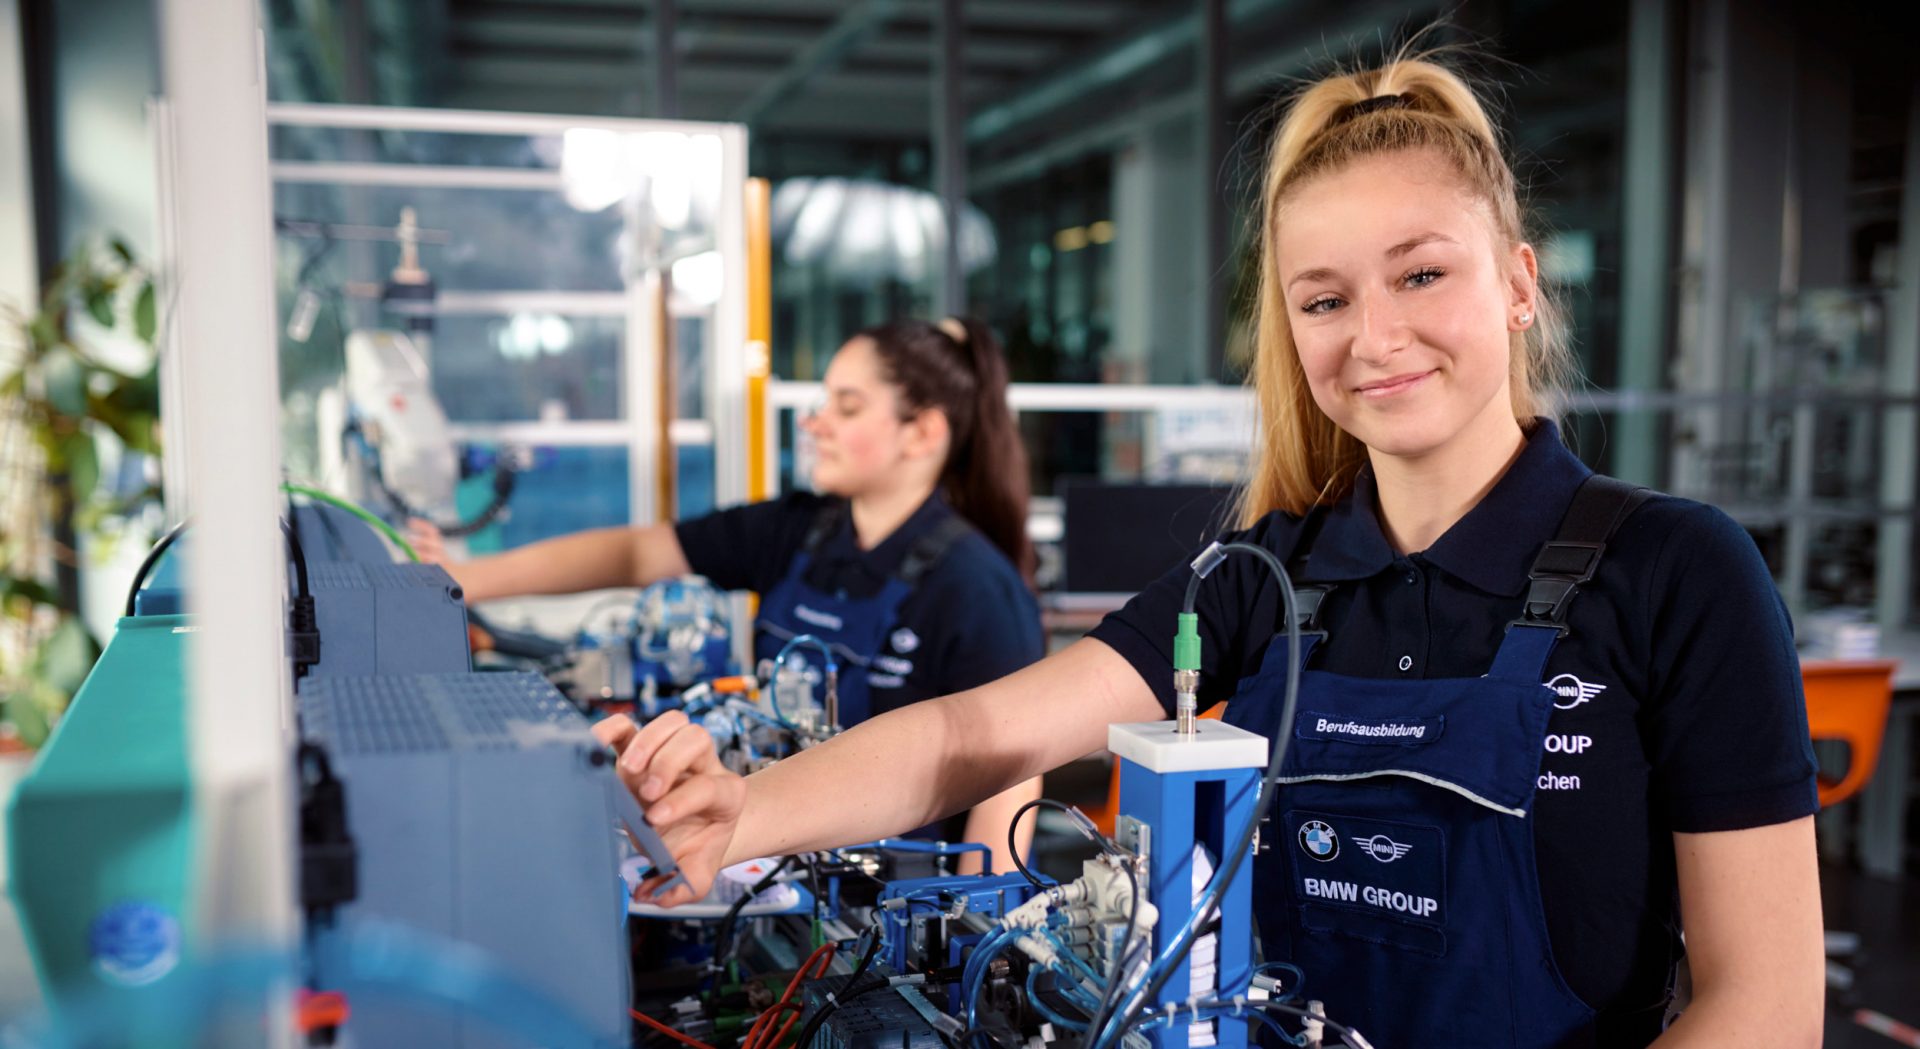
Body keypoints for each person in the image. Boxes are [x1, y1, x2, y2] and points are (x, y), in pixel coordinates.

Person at [595, 51, 1826, 1048]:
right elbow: (979, 731)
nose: (1374, 336)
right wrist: (742, 812)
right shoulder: (1266, 574)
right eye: (1325, 299)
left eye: (1420, 274)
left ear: (1517, 284)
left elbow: (1768, 1004)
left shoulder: (1675, 572)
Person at [415, 317, 1047, 871]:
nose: (815, 422)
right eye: (823, 401)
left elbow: (1007, 793)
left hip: (887, 911)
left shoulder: (978, 588)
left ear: (922, 432)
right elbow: (635, 553)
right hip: (764, 858)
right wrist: (459, 579)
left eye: (847, 407)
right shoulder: (797, 531)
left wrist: (970, 948)